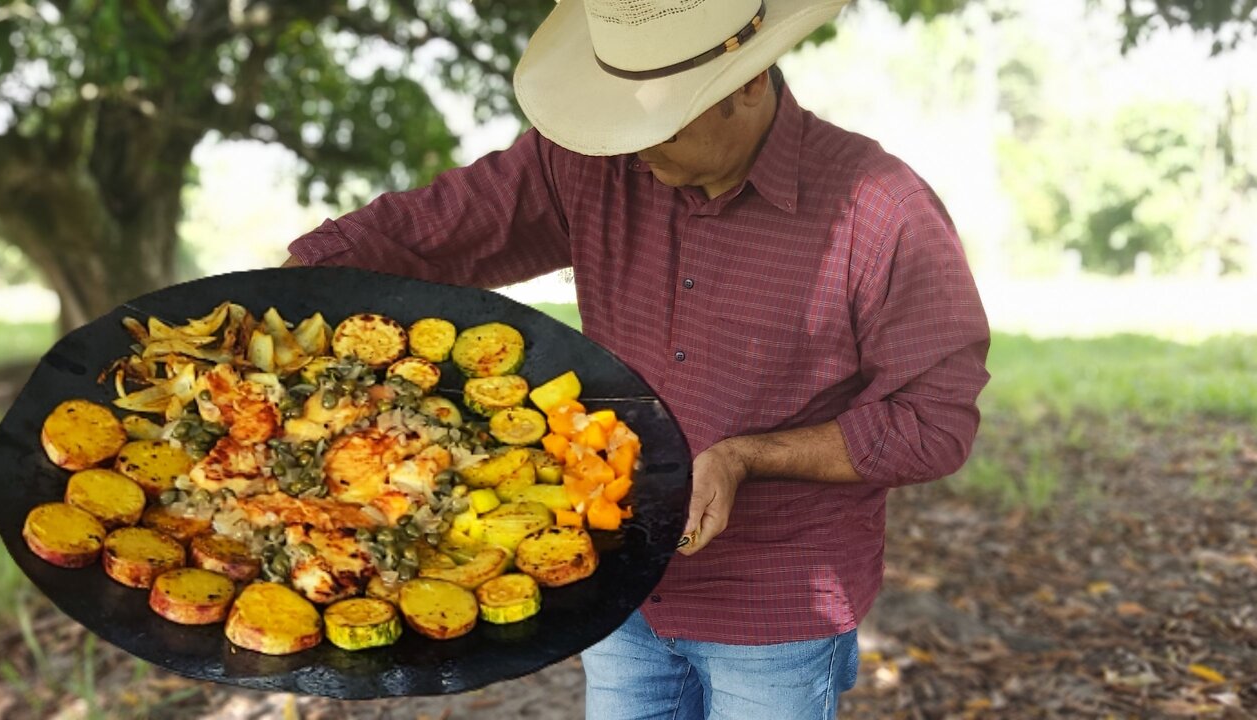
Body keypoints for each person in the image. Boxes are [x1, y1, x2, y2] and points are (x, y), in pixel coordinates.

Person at [283, 0, 991, 717]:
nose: (630, 148)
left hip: (775, 609)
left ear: (746, 83)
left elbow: (934, 424)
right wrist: (292, 278)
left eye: (656, 122)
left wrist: (747, 456)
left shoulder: (882, 210)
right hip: (620, 586)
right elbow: (438, 227)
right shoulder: (598, 162)